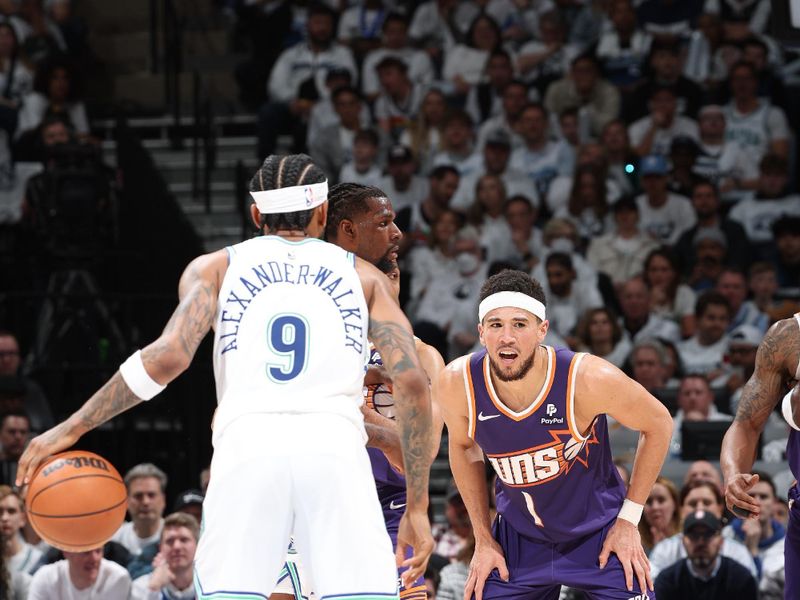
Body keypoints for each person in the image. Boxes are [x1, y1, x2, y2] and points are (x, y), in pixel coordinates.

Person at [16, 153, 435, 598]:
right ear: (322, 213)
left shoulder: (214, 268)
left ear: (256, 214)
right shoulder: (366, 278)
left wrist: (72, 426)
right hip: (335, 451)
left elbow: (168, 357)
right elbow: (410, 384)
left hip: (246, 448)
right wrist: (420, 507)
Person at [437, 269, 673, 598]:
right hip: (517, 539)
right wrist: (483, 537)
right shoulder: (457, 383)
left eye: (519, 324)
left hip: (600, 534)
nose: (507, 337)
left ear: (541, 330)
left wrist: (629, 520)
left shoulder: (587, 378)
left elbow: (659, 423)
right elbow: (463, 448)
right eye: (496, 325)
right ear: (480, 333)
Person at [323, 181, 446, 600]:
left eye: (391, 277)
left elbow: (418, 459)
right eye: (384, 223)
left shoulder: (422, 356)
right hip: (322, 498)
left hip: (390, 509)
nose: (397, 234)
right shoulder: (317, 332)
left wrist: (360, 413)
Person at [649, 480, 757, 580]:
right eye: (692, 504)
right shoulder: (664, 550)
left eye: (707, 503)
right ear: (681, 510)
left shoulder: (737, 552)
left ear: (720, 508)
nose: (700, 508)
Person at [654, 510, 758, 599]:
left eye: (708, 535)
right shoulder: (668, 581)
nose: (701, 542)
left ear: (721, 541)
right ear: (683, 541)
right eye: (693, 535)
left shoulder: (740, 579)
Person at [130, 512, 199, 600]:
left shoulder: (212, 585)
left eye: (184, 540)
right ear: (160, 548)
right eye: (170, 541)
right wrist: (153, 589)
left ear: (198, 545)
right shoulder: (141, 587)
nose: (177, 546)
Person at [28, 546, 131, 599]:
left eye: (98, 551)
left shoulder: (119, 578)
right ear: (66, 552)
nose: (94, 558)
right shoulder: (45, 578)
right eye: (86, 552)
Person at [111, 463, 167, 557]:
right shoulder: (114, 539)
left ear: (163, 500)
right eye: (138, 496)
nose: (145, 502)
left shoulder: (176, 539)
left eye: (151, 495)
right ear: (127, 501)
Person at [640, 477, 681, 555]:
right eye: (649, 501)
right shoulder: (635, 546)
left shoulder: (687, 540)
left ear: (675, 504)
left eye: (661, 500)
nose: (655, 507)